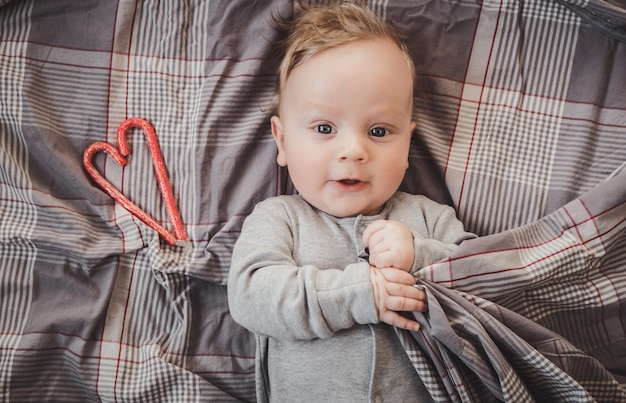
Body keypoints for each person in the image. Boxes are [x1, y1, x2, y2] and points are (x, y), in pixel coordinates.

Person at [227, 2, 476, 402]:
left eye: (379, 130)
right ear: (283, 140)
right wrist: (363, 293)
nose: (354, 150)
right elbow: (250, 295)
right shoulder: (280, 219)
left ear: (408, 142)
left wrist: (419, 254)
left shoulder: (429, 218)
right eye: (324, 128)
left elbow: (481, 283)